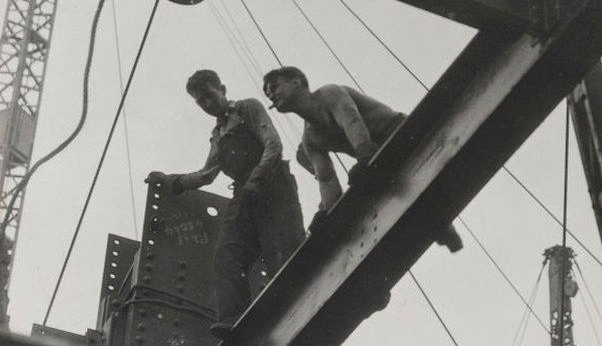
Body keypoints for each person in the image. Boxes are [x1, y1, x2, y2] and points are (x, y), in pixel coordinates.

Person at [145, 69, 305, 340]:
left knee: (281, 250)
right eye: (201, 102)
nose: (207, 105)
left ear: (222, 88)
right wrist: (171, 180)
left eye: (209, 96)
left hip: (273, 185)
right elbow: (207, 175)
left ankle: (297, 309)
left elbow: (273, 146)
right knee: (227, 256)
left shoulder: (247, 109)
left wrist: (257, 178)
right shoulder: (218, 134)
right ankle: (234, 318)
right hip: (245, 194)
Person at [262, 66, 462, 252]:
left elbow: (351, 121)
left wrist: (365, 156)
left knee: (392, 180)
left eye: (274, 87)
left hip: (399, 133)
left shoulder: (329, 94)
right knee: (396, 192)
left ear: (296, 82)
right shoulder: (310, 139)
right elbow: (326, 179)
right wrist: (328, 213)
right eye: (268, 93)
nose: (271, 94)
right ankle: (441, 227)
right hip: (378, 158)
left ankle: (442, 225)